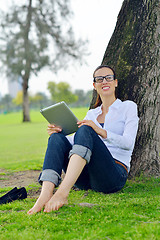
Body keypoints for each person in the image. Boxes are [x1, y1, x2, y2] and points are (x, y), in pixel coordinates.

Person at [27, 65, 139, 215]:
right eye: (99, 79)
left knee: (86, 129)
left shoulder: (128, 107)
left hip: (113, 175)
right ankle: (45, 194)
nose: (104, 81)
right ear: (94, 85)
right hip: (86, 179)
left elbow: (128, 143)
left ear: (115, 82)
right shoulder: (92, 114)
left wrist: (100, 131)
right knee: (56, 138)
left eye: (108, 78)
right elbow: (77, 142)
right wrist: (58, 132)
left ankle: (62, 194)